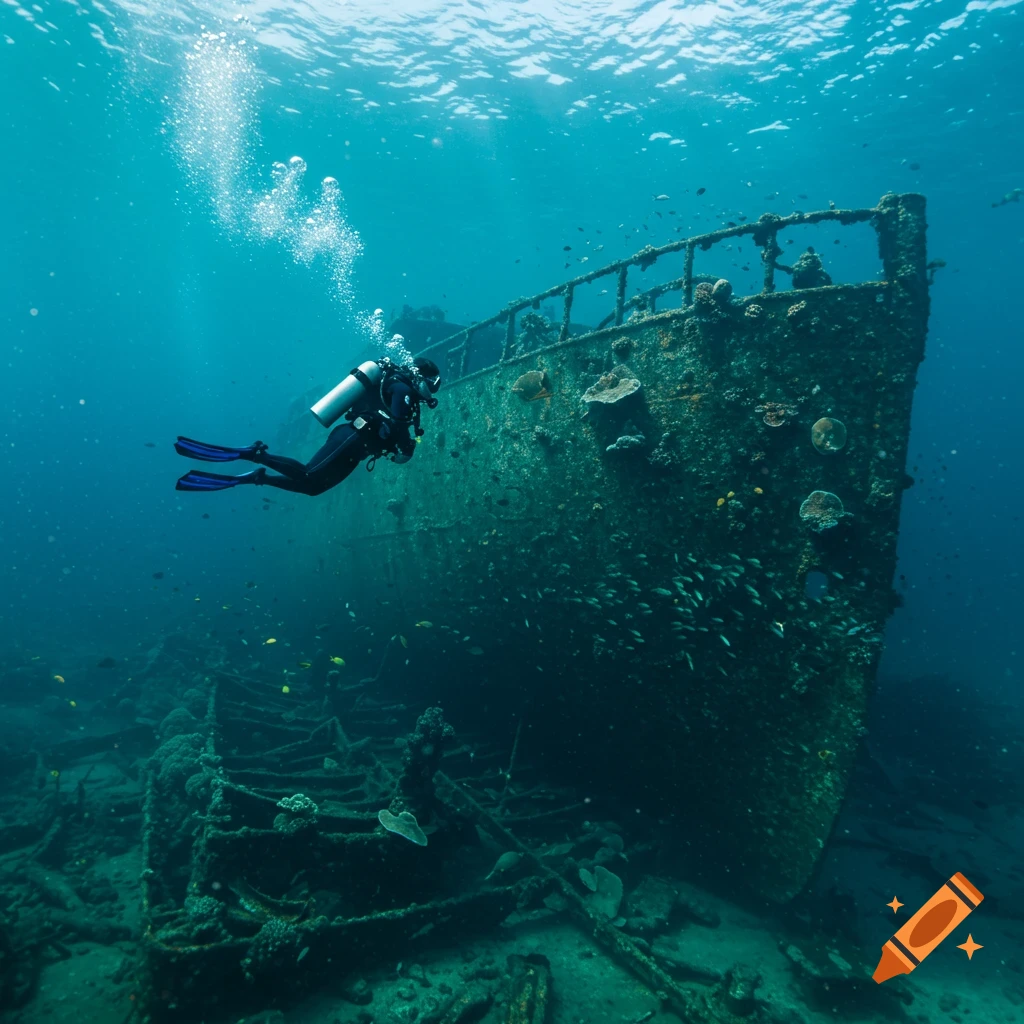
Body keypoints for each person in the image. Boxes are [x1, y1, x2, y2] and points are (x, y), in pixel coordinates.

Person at [174, 356, 441, 495]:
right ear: (422, 378)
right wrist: (407, 446)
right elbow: (397, 423)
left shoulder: (403, 391)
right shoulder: (401, 387)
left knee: (313, 488)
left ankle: (259, 477)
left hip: (359, 449)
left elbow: (396, 427)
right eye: (432, 384)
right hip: (353, 436)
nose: (432, 390)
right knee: (307, 474)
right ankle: (256, 453)